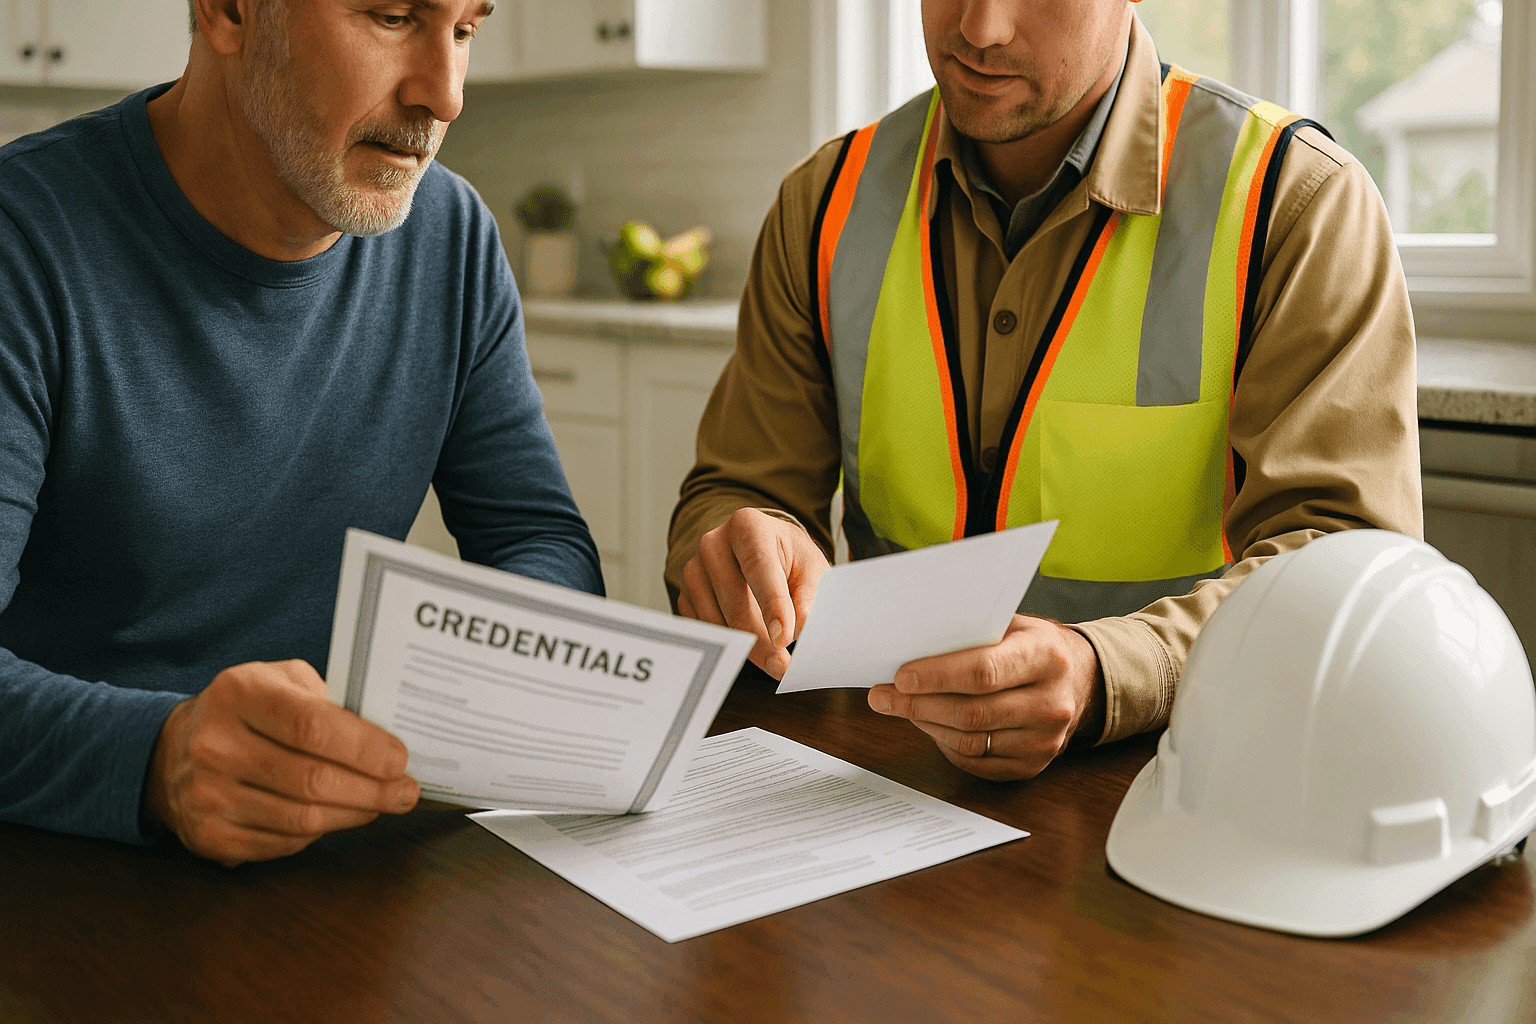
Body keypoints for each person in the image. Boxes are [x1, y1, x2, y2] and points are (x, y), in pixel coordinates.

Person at [667, 0, 1421, 780]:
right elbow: (734, 491)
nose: (981, 28)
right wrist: (738, 547)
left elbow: (1347, 571)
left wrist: (1110, 671)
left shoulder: (1296, 203)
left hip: (1188, 786)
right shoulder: (821, 203)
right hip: (880, 778)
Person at [0, 0, 603, 866]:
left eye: (466, 30)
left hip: (349, 853)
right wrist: (159, 758)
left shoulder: (453, 236)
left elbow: (537, 537)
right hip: (73, 872)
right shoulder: (23, 240)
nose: (446, 95)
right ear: (231, 12)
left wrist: (492, 682)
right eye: (395, 17)